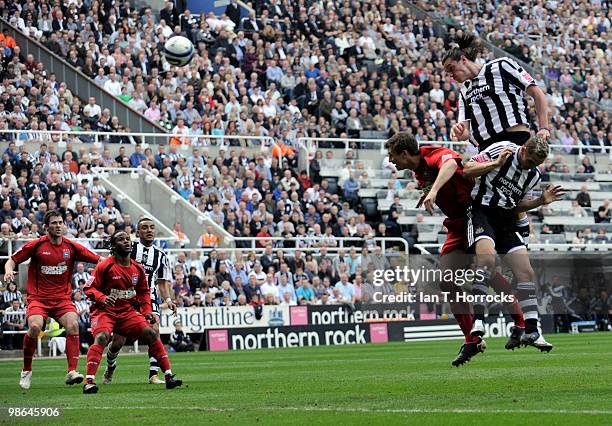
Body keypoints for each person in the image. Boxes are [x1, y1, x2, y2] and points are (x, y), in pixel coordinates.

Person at [386, 133, 525, 366]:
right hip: (456, 224)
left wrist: (432, 191)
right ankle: (473, 339)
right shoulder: (418, 171)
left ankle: (521, 323)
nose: (391, 162)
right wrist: (429, 192)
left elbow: (451, 163)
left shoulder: (432, 155)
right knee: (447, 280)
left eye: (392, 156)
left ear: (404, 153)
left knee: (485, 271)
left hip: (475, 214)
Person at [443, 34, 550, 240]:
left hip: (515, 137)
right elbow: (465, 130)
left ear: (463, 60)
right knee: (485, 196)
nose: (451, 76)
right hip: (487, 147)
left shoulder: (501, 66)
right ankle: (486, 239)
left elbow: (537, 93)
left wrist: (544, 127)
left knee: (514, 188)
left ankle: (521, 223)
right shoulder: (465, 91)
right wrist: (459, 131)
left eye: (451, 69)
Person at [463, 136, 565, 351]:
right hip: (483, 212)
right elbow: (467, 169)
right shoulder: (503, 149)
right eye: (531, 162)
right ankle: (479, 320)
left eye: (537, 165)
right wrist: (495, 164)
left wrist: (540, 201)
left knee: (526, 272)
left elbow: (518, 205)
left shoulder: (533, 175)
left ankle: (531, 330)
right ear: (524, 151)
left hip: (507, 219)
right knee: (487, 260)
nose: (533, 167)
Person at [4, 210, 101, 389]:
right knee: (34, 328)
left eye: (60, 222)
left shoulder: (71, 247)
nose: (58, 226)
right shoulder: (37, 245)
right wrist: (9, 270)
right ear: (46, 227)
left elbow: (99, 260)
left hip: (62, 300)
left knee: (73, 324)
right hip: (38, 299)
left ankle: (72, 371)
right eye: (54, 223)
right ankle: (26, 369)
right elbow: (11, 260)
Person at [82, 231, 182, 393]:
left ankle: (169, 376)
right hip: (104, 311)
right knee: (102, 337)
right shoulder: (105, 265)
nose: (126, 242)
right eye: (121, 240)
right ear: (114, 246)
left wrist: (147, 310)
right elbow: (88, 287)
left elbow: (143, 292)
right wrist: (101, 298)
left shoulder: (138, 269)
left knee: (151, 333)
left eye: (128, 239)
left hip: (126, 312)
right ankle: (89, 381)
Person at [103, 217, 176, 385]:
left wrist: (168, 299)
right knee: (118, 342)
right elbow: (110, 267)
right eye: (144, 228)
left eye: (152, 227)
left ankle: (153, 374)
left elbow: (162, 281)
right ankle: (110, 366)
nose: (149, 230)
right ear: (138, 232)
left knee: (154, 330)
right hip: (126, 297)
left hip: (148, 297)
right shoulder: (127, 247)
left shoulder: (161, 255)